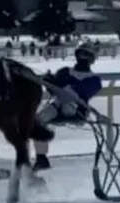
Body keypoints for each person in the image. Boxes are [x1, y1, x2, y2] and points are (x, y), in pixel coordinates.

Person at [33, 41, 102, 170]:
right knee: (37, 121)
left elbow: (80, 92)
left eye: (86, 55)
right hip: (57, 105)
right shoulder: (64, 72)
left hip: (77, 110)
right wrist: (49, 81)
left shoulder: (94, 80)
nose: (83, 58)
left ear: (91, 59)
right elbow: (54, 89)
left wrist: (63, 87)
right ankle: (41, 158)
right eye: (81, 54)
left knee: (67, 105)